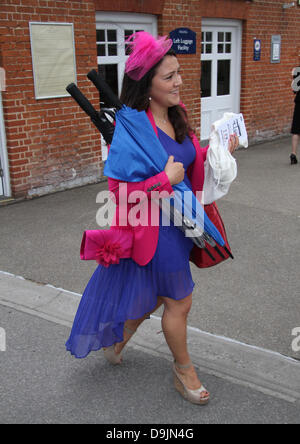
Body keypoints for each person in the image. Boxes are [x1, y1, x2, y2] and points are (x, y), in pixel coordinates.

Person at [66, 32, 239, 405]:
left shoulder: (179, 115)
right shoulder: (130, 131)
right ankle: (184, 371)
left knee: (155, 298)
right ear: (146, 84)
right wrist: (164, 180)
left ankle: (117, 342)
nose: (179, 81)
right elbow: (119, 194)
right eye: (169, 76)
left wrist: (217, 149)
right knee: (179, 301)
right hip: (155, 230)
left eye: (178, 73)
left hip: (184, 224)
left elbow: (187, 160)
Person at [291, 66, 300, 165]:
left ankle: (293, 153)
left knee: (296, 130)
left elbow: (294, 89)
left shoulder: (297, 70)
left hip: (299, 102)